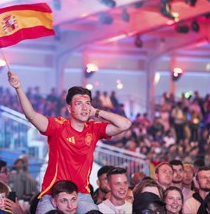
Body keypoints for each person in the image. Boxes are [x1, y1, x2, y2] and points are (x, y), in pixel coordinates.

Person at [8, 71, 132, 213]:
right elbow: (31, 115)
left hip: (81, 194)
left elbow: (125, 124)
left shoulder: (94, 129)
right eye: (79, 104)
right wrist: (18, 88)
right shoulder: (58, 126)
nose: (84, 107)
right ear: (69, 108)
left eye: (87, 104)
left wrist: (96, 112)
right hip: (53, 194)